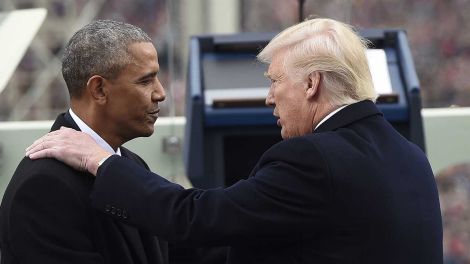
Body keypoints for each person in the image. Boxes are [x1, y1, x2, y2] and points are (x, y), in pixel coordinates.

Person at [25, 18, 443, 264]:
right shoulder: (410, 157)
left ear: (312, 84)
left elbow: (199, 218)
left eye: (275, 81)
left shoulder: (314, 158)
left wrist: (103, 164)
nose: (269, 96)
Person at [0, 20, 169, 263]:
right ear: (98, 89)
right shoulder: (44, 187)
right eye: (145, 81)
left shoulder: (130, 164)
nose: (160, 93)